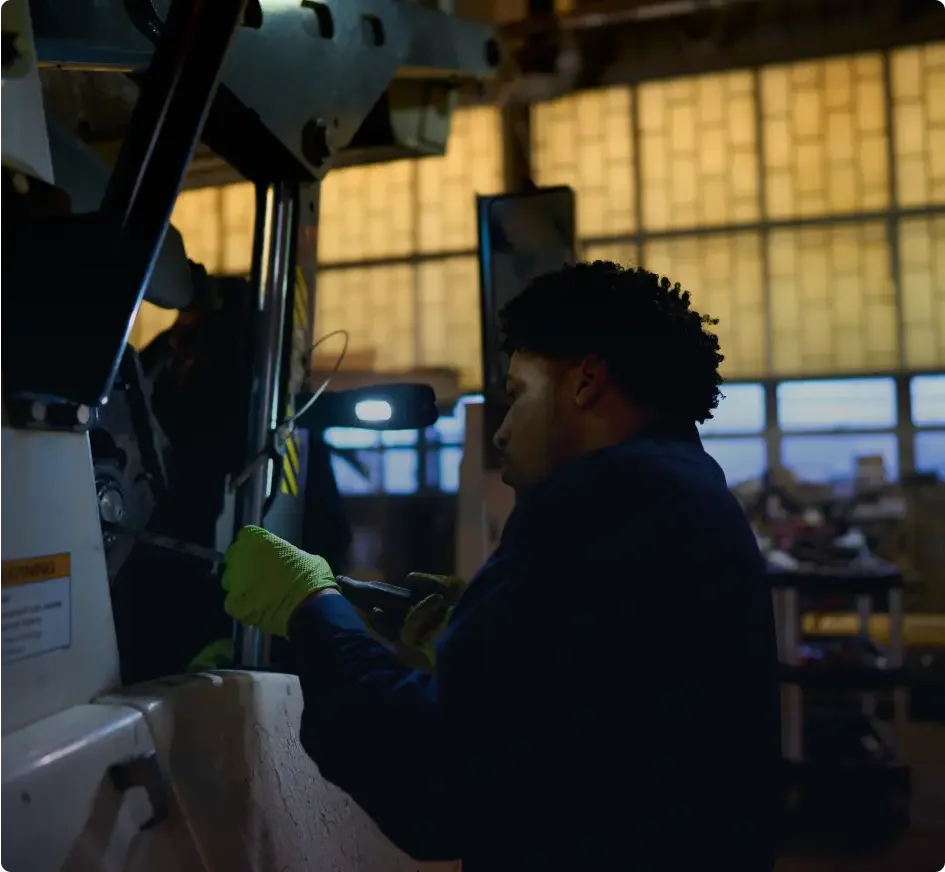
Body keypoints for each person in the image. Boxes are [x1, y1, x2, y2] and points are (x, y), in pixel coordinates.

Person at [222, 261, 782, 871]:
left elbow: (434, 781)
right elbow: (586, 716)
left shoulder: (602, 500)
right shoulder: (689, 493)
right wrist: (478, 636)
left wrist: (311, 608)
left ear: (587, 380)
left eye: (516, 395)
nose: (502, 432)